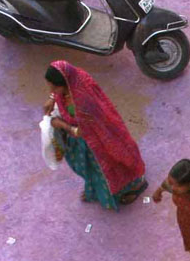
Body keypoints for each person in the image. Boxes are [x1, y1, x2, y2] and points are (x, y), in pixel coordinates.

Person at [45, 61, 147, 210]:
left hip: (97, 141)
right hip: (88, 135)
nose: (52, 90)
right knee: (93, 169)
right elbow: (58, 91)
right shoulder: (74, 78)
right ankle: (96, 189)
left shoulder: (83, 102)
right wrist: (52, 97)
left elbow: (83, 131)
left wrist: (60, 124)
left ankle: (134, 186)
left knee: (106, 166)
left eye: (54, 88)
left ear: (65, 83)